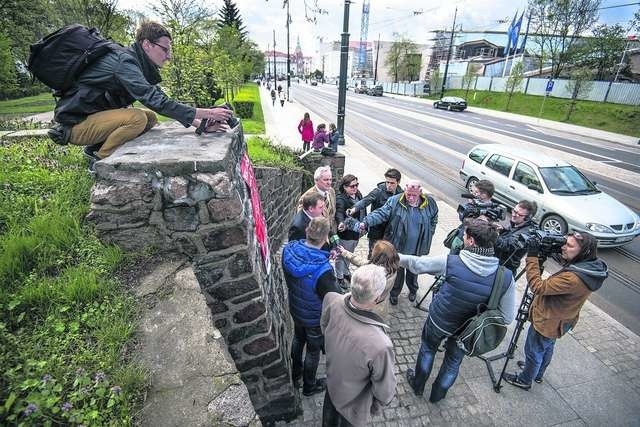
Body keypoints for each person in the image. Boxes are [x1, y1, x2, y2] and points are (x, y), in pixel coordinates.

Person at [53, 21, 232, 163]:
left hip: (91, 119)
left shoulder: (136, 63)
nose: (168, 56)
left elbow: (161, 100)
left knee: (150, 118)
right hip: (74, 125)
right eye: (165, 49)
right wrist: (209, 112)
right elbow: (156, 101)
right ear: (147, 44)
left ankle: (95, 147)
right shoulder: (124, 62)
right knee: (136, 118)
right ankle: (99, 161)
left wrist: (201, 124)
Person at [401, 219, 517, 402]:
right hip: (467, 333)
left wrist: (393, 256)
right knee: (453, 362)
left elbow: (418, 264)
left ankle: (418, 385)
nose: (462, 237)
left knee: (428, 349)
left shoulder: (452, 262)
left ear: (471, 241)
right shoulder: (506, 277)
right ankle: (437, 396)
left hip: (439, 320)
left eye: (464, 234)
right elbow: (507, 317)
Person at [503, 231, 608, 390]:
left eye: (569, 246)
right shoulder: (590, 266)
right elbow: (569, 264)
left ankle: (525, 379)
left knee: (533, 351)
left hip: (549, 321)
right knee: (547, 347)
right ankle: (537, 373)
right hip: (562, 319)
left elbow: (538, 287)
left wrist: (532, 256)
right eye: (565, 243)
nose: (564, 247)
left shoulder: (572, 279)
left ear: (583, 251)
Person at [321, 264, 397, 426]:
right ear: (377, 298)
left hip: (333, 385)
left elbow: (324, 327)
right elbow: (385, 391)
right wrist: (378, 405)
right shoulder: (380, 345)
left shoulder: (332, 299)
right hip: (354, 405)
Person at [282, 217, 342, 397]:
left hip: (295, 307)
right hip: (314, 317)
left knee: (298, 339)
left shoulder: (288, 250)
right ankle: (309, 386)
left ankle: (295, 374)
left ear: (307, 231)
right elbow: (334, 297)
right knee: (313, 351)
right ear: (325, 239)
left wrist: (325, 258)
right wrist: (328, 263)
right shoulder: (323, 270)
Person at [357, 180, 438, 305]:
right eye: (408, 194)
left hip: (417, 248)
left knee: (414, 270)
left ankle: (413, 290)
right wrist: (365, 222)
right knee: (397, 272)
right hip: (398, 246)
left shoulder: (430, 203)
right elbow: (380, 213)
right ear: (405, 190)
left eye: (414, 195)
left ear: (420, 192)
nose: (410, 197)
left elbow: (434, 217)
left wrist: (430, 231)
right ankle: (394, 294)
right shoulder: (395, 201)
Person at [337, 240, 399, 320]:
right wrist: (345, 252)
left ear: (378, 256)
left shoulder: (376, 275)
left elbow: (363, 263)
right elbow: (362, 262)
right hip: (382, 306)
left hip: (370, 309)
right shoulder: (393, 268)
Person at [348, 168, 403, 258]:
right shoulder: (379, 191)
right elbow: (366, 200)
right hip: (376, 230)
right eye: (387, 182)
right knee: (373, 255)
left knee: (387, 257)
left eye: (392, 183)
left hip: (390, 232)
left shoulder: (401, 195)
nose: (389, 185)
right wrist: (354, 208)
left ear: (398, 182)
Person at [334, 174, 365, 290]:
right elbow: (339, 212)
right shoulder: (341, 199)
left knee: (349, 253)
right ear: (345, 187)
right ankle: (340, 277)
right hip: (346, 234)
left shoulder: (358, 194)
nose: (355, 188)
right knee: (341, 255)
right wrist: (341, 223)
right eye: (352, 186)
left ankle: (346, 272)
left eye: (356, 185)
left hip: (356, 232)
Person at [494, 200, 538, 275]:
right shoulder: (516, 223)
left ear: (527, 218)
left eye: (519, 214)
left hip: (503, 270)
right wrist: (502, 231)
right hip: (497, 261)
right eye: (514, 211)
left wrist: (493, 234)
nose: (514, 215)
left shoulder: (526, 234)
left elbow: (505, 245)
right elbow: (510, 234)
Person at [298, 166, 336, 233]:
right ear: (316, 180)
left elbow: (332, 214)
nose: (329, 182)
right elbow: (302, 221)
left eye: (330, 179)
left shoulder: (331, 191)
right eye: (326, 180)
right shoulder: (306, 198)